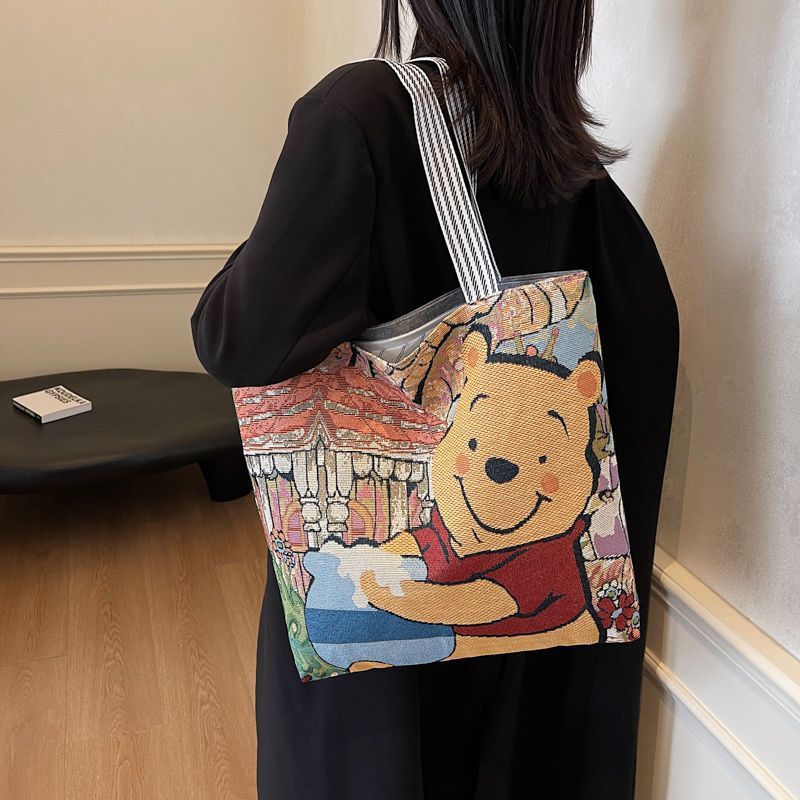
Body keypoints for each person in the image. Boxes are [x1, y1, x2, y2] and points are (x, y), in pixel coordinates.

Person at [190, 1, 679, 797]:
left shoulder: (360, 115)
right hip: (527, 678)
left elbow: (235, 339)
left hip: (377, 685)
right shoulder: (578, 174)